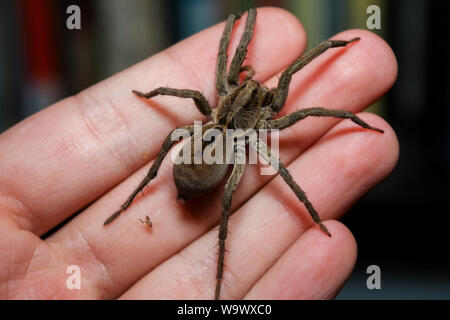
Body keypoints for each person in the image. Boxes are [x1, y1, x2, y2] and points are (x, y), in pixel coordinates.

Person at [0, 7, 398, 299]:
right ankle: (143, 206)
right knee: (232, 189)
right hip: (222, 151)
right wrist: (250, 26)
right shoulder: (261, 120)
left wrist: (243, 25)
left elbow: (226, 66)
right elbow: (293, 100)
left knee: (183, 143)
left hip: (212, 140)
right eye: (252, 90)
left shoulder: (213, 105)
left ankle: (179, 235)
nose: (254, 90)